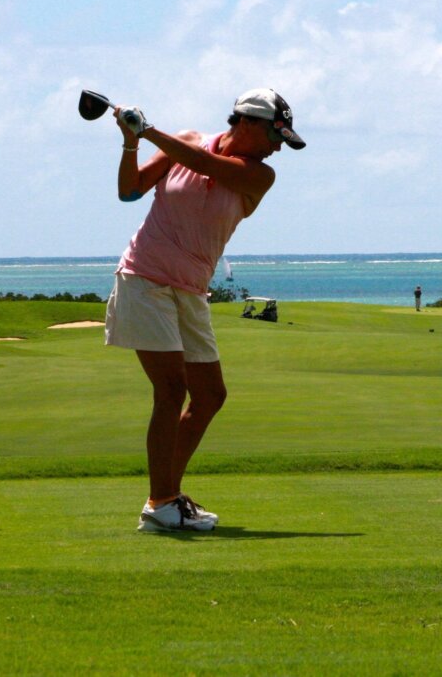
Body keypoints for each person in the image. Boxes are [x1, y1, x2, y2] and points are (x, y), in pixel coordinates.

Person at [104, 88, 305, 532]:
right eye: (275, 135)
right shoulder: (188, 141)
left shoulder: (259, 176)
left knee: (210, 395)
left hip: (191, 290)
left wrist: (150, 129)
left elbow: (206, 165)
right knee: (172, 390)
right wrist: (131, 140)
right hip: (144, 277)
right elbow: (129, 191)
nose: (278, 147)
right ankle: (162, 505)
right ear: (248, 123)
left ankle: (165, 498)